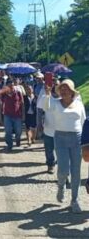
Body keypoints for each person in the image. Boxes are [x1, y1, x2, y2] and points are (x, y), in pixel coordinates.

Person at [43, 79, 86, 213]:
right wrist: (47, 93)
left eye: (66, 88)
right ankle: (61, 186)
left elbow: (84, 122)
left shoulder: (79, 104)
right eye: (61, 88)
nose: (63, 90)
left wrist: (86, 142)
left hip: (77, 139)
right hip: (60, 138)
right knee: (63, 169)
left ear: (72, 91)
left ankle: (75, 200)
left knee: (76, 171)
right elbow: (46, 107)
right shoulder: (55, 103)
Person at [0, 79, 24, 151]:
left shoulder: (18, 92)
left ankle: (18, 139)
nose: (11, 87)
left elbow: (22, 103)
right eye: (9, 85)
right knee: (8, 131)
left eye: (12, 85)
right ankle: (10, 144)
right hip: (7, 115)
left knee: (18, 131)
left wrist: (23, 114)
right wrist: (0, 116)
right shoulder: (4, 94)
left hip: (17, 114)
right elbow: (1, 104)